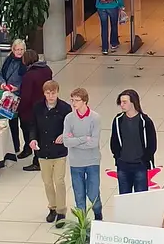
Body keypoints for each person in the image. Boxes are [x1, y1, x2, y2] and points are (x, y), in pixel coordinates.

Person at [29, 80, 71, 226]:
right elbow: (33, 125)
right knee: (47, 182)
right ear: (44, 93)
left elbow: (70, 127)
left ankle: (61, 210)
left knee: (59, 181)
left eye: (53, 93)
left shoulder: (65, 108)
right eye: (48, 93)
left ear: (57, 92)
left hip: (59, 151)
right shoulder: (38, 107)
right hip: (43, 150)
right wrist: (33, 139)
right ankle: (52, 207)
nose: (51, 96)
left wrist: (64, 135)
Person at [63, 88, 103, 221]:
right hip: (76, 162)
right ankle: (82, 222)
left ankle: (98, 213)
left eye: (77, 100)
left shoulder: (95, 118)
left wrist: (76, 141)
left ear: (84, 101)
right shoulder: (69, 118)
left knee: (93, 193)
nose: (74, 103)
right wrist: (84, 138)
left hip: (92, 160)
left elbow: (94, 142)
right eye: (72, 100)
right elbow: (66, 141)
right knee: (78, 194)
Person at [110, 89, 157, 193]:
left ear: (133, 102)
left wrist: (145, 159)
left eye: (124, 102)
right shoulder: (118, 120)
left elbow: (152, 143)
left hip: (140, 166)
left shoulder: (145, 121)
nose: (121, 105)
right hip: (123, 166)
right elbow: (114, 142)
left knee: (140, 199)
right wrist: (118, 158)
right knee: (124, 197)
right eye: (121, 102)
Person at [16, 50, 53, 172]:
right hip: (45, 106)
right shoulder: (46, 69)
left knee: (31, 133)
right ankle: (31, 153)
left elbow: (26, 96)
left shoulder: (29, 76)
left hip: (31, 110)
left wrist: (19, 108)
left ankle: (36, 160)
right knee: (41, 133)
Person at [0, 39, 27, 163]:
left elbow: (28, 80)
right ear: (12, 50)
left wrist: (18, 88)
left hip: (21, 97)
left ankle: (27, 148)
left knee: (24, 123)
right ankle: (15, 146)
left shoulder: (26, 62)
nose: (19, 52)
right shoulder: (7, 60)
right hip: (8, 97)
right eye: (17, 49)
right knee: (12, 122)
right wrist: (2, 83)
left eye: (21, 50)